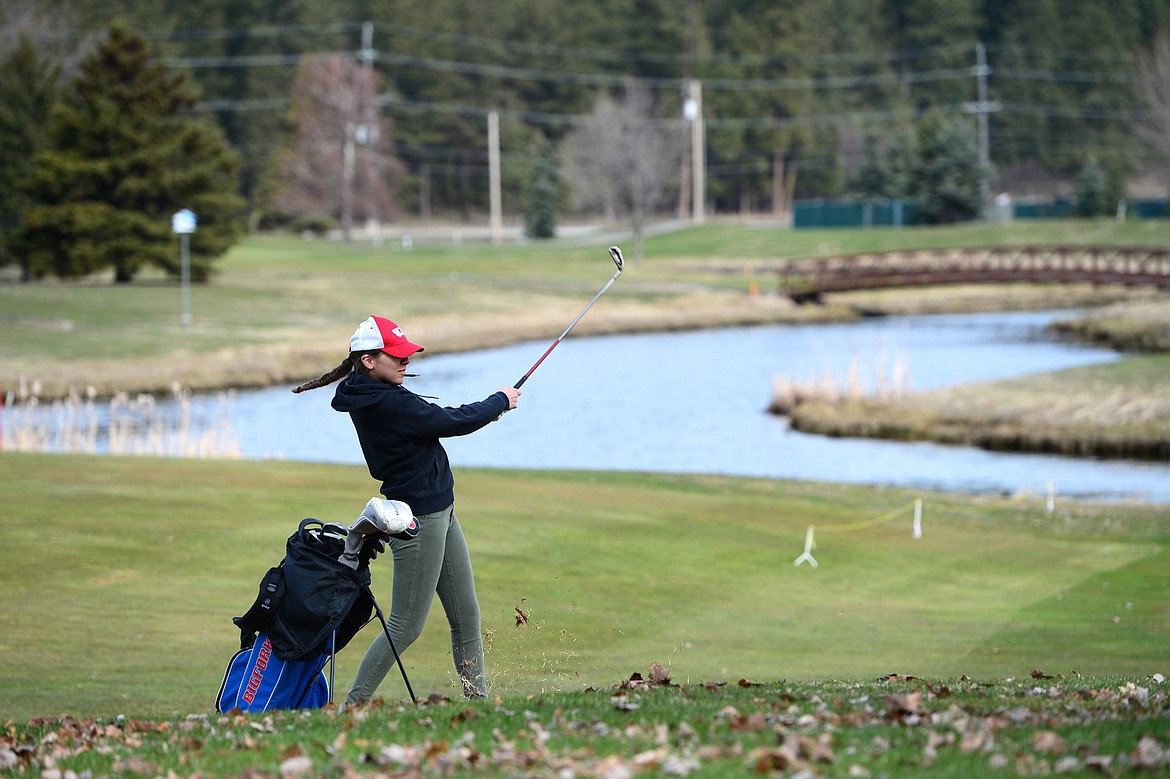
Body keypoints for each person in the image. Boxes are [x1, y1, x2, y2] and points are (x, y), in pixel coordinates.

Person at [292, 314, 520, 702]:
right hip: (419, 518)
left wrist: (495, 404)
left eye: (406, 355)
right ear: (368, 360)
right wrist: (500, 400)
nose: (405, 362)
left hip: (442, 511)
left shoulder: (371, 390)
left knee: (467, 617)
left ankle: (478, 703)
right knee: (405, 626)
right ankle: (354, 707)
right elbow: (452, 421)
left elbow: (440, 419)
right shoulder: (386, 403)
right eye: (395, 356)